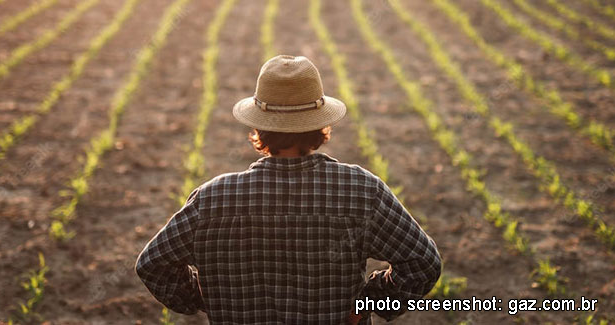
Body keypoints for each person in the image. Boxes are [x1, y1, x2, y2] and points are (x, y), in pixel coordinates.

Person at [135, 55, 442, 324]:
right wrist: (366, 304)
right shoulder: (361, 192)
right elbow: (423, 263)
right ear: (320, 126)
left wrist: (203, 299)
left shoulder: (212, 199)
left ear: (259, 127)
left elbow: (153, 264)